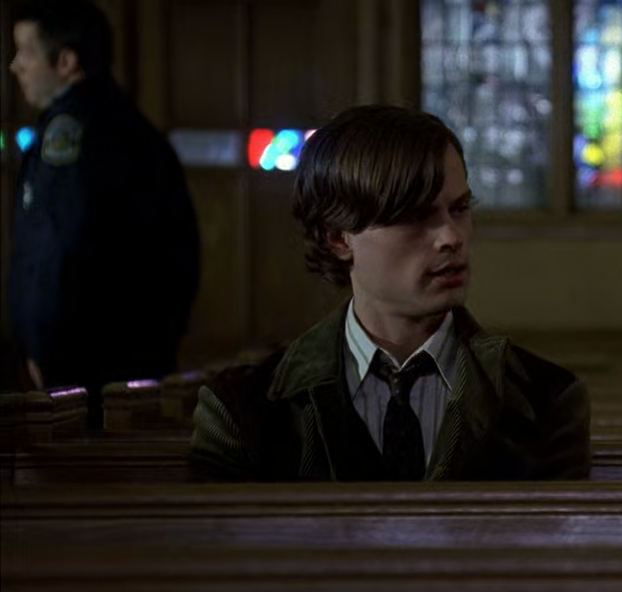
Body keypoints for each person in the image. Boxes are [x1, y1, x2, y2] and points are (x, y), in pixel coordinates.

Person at [189, 105, 591, 481]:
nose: (451, 237)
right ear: (338, 238)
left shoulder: (546, 399)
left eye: (459, 209)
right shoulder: (245, 410)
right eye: (415, 217)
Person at [7, 0, 201, 411]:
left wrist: (42, 352)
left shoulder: (71, 134)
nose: (15, 66)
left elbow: (56, 248)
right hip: (135, 363)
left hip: (81, 369)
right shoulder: (133, 126)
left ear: (66, 61)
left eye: (25, 52)